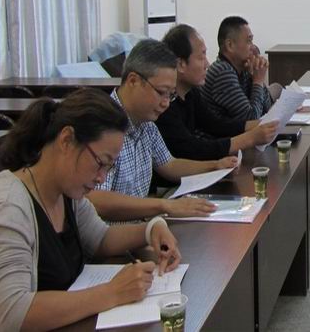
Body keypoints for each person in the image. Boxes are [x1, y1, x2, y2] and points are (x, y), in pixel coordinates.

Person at [0, 89, 182, 331]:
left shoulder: (66, 191)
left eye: (109, 167)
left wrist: (152, 229)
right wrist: (112, 292)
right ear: (66, 140)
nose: (101, 178)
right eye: (100, 163)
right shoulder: (9, 205)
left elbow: (100, 238)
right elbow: (11, 312)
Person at [87, 39, 239, 222]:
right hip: (113, 236)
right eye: (161, 92)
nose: (166, 103)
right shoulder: (102, 126)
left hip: (140, 228)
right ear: (133, 81)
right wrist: (164, 206)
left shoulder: (147, 125)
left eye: (171, 94)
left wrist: (215, 166)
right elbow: (94, 200)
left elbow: (169, 165)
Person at [157, 24, 279, 160]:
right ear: (180, 64)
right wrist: (250, 137)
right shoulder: (164, 104)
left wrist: (262, 123)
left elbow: (215, 124)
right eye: (201, 57)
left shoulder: (191, 92)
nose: (207, 64)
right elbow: (189, 148)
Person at [202, 16, 280, 121]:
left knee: (278, 88)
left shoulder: (242, 67)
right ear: (230, 45)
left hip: (242, 131)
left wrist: (254, 76)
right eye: (249, 41)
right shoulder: (222, 72)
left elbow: (267, 107)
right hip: (219, 132)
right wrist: (258, 80)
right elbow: (251, 119)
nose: (253, 47)